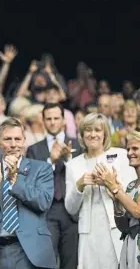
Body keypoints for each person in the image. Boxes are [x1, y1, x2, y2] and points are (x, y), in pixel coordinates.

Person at [0, 117, 56, 269]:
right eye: (7, 139)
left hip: (31, 252)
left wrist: (14, 182)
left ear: (24, 140)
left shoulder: (41, 168)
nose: (13, 144)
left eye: (17, 139)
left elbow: (44, 202)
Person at [65, 113, 137, 269]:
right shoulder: (73, 164)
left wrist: (109, 183)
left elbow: (133, 191)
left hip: (116, 226)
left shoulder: (121, 155)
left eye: (98, 130)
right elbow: (70, 208)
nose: (93, 134)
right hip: (88, 232)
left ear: (105, 133)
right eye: (88, 130)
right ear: (82, 135)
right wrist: (79, 186)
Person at [25, 103, 81, 269]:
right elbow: (32, 181)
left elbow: (81, 175)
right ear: (42, 120)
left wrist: (68, 160)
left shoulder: (77, 145)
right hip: (47, 211)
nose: (52, 122)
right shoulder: (34, 149)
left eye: (56, 118)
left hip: (72, 211)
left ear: (63, 120)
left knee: (71, 262)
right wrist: (50, 161)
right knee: (46, 262)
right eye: (48, 118)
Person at [106, 130, 140, 269]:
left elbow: (138, 212)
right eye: (128, 149)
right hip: (130, 245)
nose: (129, 152)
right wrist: (116, 203)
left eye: (135, 148)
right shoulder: (131, 185)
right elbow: (124, 227)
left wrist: (115, 188)